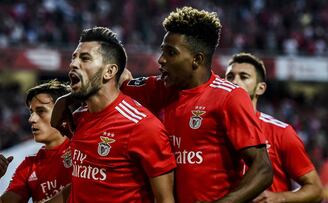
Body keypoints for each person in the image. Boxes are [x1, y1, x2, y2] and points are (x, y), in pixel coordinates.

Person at [118, 6, 274, 203]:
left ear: (197, 59)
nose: (161, 60)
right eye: (162, 51)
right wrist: (66, 100)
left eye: (171, 53)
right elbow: (113, 84)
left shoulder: (229, 97)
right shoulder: (157, 88)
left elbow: (263, 169)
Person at [50, 26, 176, 203]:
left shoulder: (141, 127)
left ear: (109, 72)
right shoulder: (79, 118)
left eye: (85, 58)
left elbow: (165, 200)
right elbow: (82, 185)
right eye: (74, 57)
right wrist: (65, 99)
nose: (73, 64)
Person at [225, 52, 323, 203]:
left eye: (243, 77)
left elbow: (315, 189)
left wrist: (280, 197)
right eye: (230, 77)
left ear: (260, 88)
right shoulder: (212, 130)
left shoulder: (281, 132)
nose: (234, 82)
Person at [0, 80, 72, 203]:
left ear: (63, 113)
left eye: (41, 111)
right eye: (31, 112)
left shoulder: (84, 151)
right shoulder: (29, 165)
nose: (31, 119)